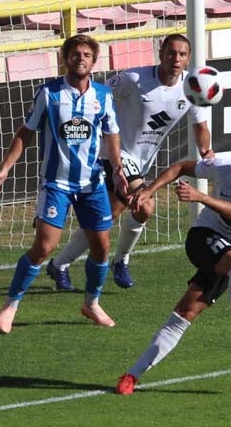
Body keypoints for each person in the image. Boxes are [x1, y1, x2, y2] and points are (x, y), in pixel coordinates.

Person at [116, 141, 231, 396]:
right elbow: (180, 167)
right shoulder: (225, 168)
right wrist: (149, 191)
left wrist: (200, 197)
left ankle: (131, 376)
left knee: (184, 313)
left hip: (228, 252)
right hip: (201, 238)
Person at [0, 34, 129, 332]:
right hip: (56, 184)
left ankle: (91, 302)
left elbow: (112, 133)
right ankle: (10, 304)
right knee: (45, 246)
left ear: (94, 61)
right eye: (75, 53)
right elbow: (26, 132)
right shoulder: (48, 94)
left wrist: (117, 168)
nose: (80, 58)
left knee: (101, 246)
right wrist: (4, 169)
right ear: (65, 58)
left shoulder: (103, 96)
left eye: (86, 54)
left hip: (92, 183)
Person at [49, 34, 214, 291]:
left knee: (107, 217)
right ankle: (121, 261)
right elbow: (99, 94)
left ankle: (59, 265)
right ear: (161, 54)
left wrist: (207, 151)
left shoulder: (191, 89)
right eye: (171, 53)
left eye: (182, 54)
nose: (176, 59)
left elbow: (201, 126)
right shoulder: (134, 79)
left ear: (188, 58)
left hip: (141, 160)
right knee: (144, 207)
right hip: (113, 153)